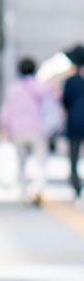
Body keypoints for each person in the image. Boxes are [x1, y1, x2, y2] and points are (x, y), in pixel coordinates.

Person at [0, 56, 55, 206]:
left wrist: (4, 127)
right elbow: (50, 108)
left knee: (21, 163)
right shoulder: (42, 88)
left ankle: (23, 195)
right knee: (41, 162)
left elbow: (6, 110)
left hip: (18, 130)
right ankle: (39, 189)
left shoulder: (13, 88)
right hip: (38, 129)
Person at [62, 45, 84, 206]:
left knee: (74, 158)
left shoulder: (71, 81)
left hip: (75, 123)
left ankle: (77, 189)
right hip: (76, 123)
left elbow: (65, 102)